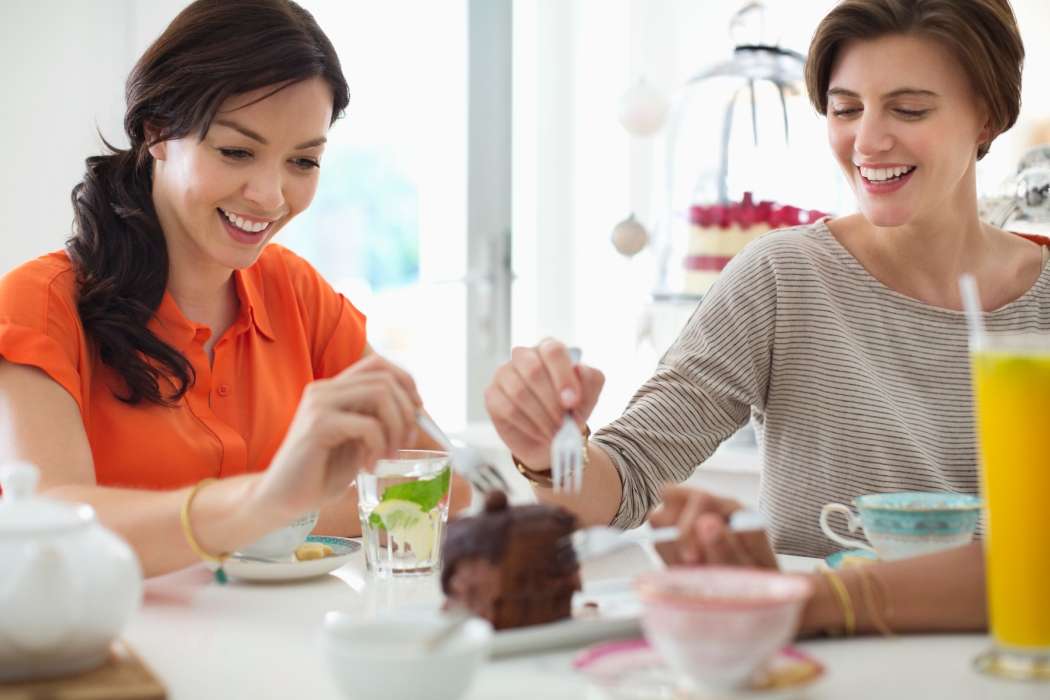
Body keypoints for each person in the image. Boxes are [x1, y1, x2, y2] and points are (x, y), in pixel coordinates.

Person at [486, 0, 1042, 636]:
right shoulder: (782, 277)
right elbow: (625, 482)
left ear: (988, 116)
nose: (867, 140)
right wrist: (548, 453)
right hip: (820, 671)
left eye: (909, 109)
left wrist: (813, 597)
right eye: (845, 108)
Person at [0, 0, 469, 578]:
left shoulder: (296, 293)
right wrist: (266, 502)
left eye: (303, 161)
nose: (270, 196)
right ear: (157, 131)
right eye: (236, 151)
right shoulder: (40, 304)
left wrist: (278, 508)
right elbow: (48, 529)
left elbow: (442, 484)